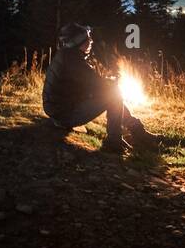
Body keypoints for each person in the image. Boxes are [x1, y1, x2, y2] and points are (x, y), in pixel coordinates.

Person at [42, 23, 162, 155]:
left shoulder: (68, 55)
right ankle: (114, 142)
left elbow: (88, 84)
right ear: (79, 42)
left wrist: (107, 83)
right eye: (88, 38)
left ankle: (137, 132)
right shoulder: (73, 61)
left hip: (59, 110)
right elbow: (98, 85)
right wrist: (112, 82)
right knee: (114, 96)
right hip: (64, 115)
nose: (91, 41)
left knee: (111, 93)